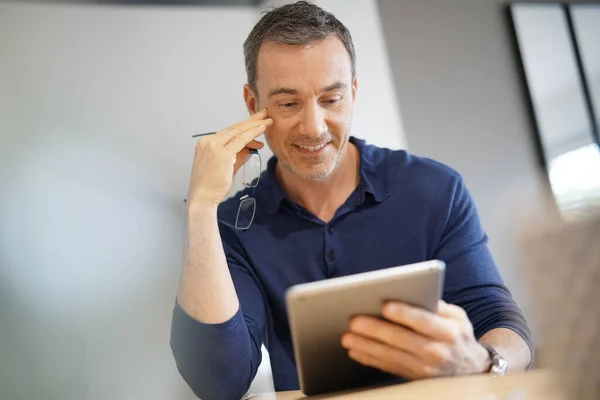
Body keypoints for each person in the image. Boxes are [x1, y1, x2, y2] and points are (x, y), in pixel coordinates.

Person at [170, 2, 533, 399]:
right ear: (253, 103)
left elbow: (503, 324)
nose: (314, 127)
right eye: (289, 103)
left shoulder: (435, 190)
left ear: (354, 92)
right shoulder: (234, 224)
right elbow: (218, 382)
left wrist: (482, 362)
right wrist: (201, 209)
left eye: (331, 99)